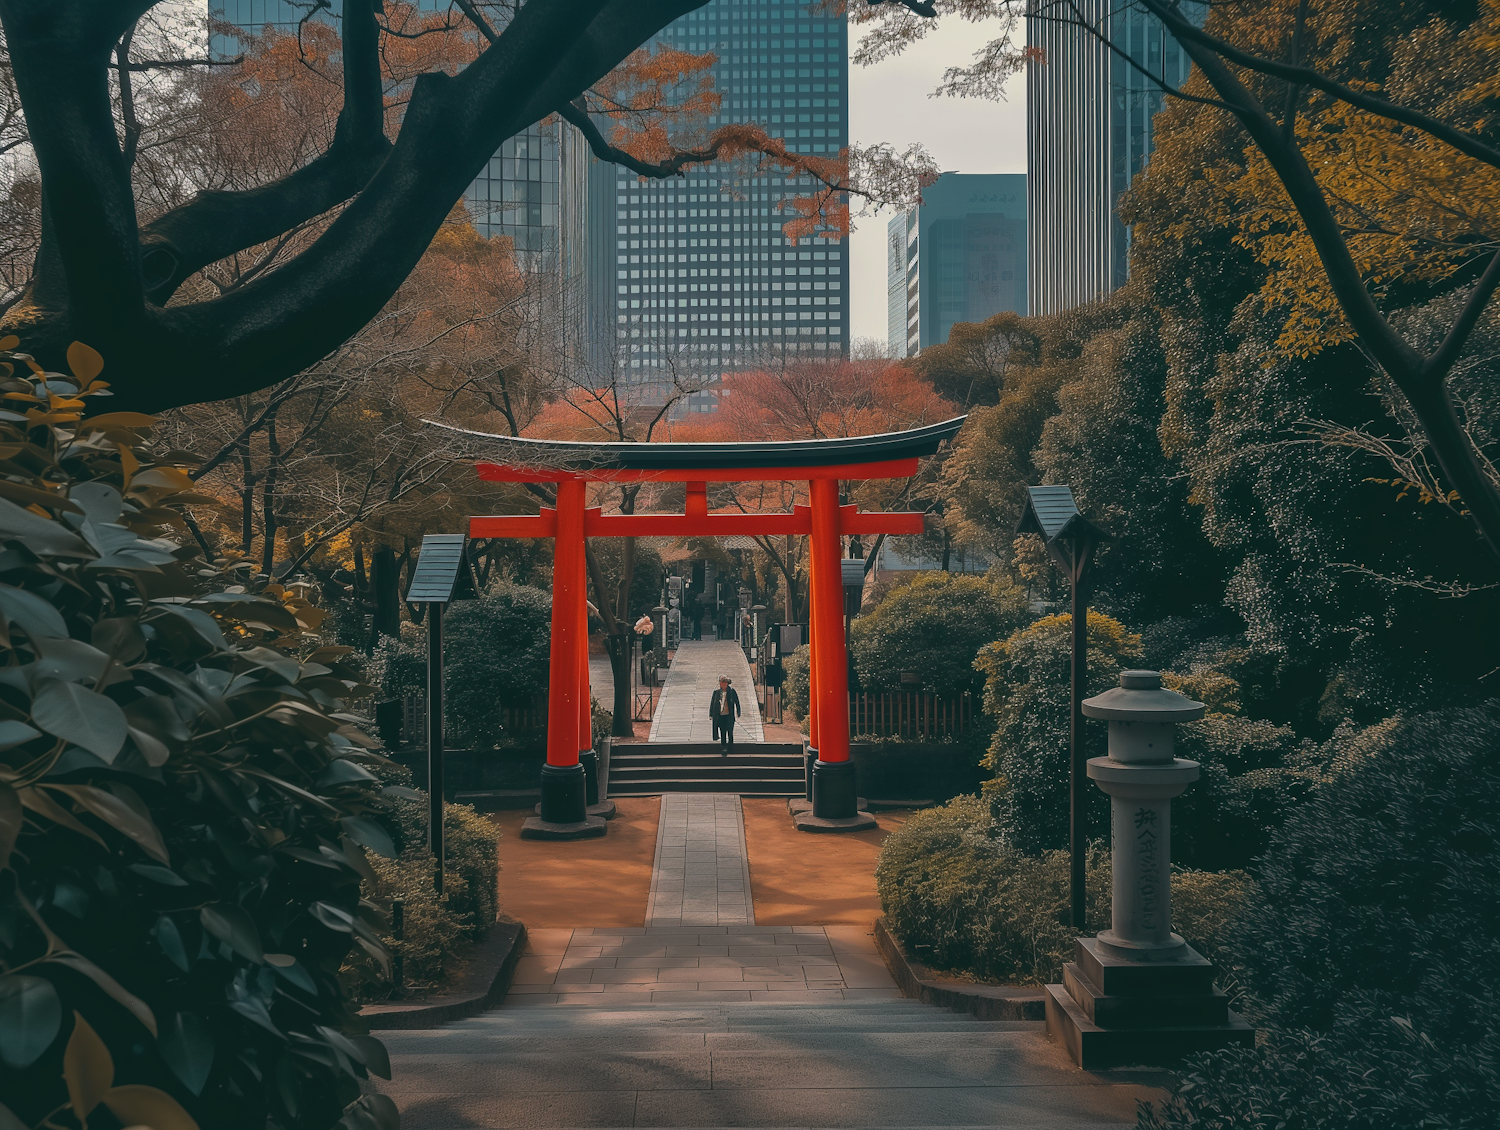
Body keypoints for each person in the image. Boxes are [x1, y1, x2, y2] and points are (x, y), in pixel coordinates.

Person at [709, 675, 740, 754]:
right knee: (722, 732)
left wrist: (738, 711)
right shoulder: (716, 692)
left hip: (729, 716)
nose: (721, 684)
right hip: (720, 716)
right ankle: (723, 747)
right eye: (720, 683)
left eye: (723, 683)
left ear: (726, 684)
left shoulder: (732, 691)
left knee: (730, 731)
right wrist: (711, 714)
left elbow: (737, 702)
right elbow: (712, 703)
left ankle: (730, 746)